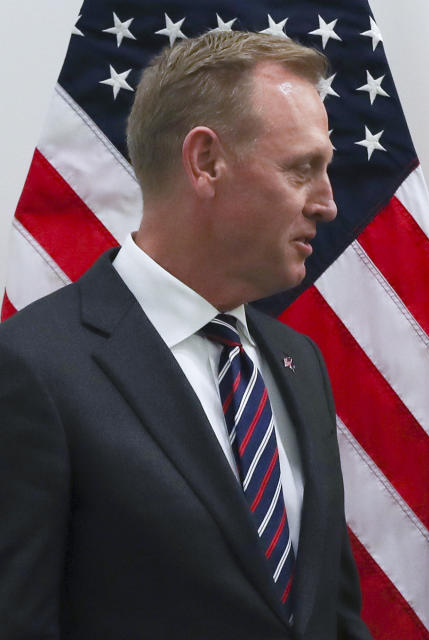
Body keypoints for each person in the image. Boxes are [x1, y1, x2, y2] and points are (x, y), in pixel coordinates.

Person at [0, 31, 372, 639]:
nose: (328, 203)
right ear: (205, 162)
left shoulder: (297, 361)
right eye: (303, 168)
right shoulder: (32, 369)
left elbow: (331, 615)